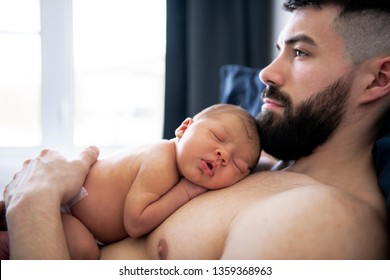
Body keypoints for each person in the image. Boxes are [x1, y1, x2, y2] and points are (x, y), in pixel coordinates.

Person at [3, 0, 390, 260]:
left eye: (301, 52)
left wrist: (33, 205)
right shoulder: (258, 166)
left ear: (377, 79)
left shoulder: (322, 223)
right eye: (278, 50)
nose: (266, 73)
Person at [0, 104, 261, 259]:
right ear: (183, 128)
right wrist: (185, 192)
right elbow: (135, 222)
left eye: (238, 166)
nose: (224, 155)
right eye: (217, 136)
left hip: (79, 214)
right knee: (86, 253)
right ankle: (10, 241)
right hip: (70, 207)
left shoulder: (176, 163)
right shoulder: (162, 159)